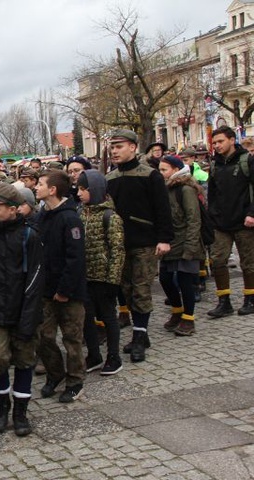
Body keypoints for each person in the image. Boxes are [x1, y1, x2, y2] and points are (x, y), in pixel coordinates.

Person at [0, 183, 44, 435]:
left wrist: (28, 319)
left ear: (13, 209)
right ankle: (2, 406)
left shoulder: (30, 237)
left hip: (23, 312)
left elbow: (35, 280)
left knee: (25, 361)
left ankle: (21, 411)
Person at [105, 129, 173, 362]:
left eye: (119, 146)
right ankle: (141, 332)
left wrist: (164, 239)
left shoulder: (150, 175)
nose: (114, 151)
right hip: (120, 244)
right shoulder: (110, 179)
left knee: (141, 289)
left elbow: (163, 209)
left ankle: (139, 338)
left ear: (133, 147)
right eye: (112, 147)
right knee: (127, 290)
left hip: (145, 242)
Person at [35, 170, 88, 403]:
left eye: (40, 184)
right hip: (45, 291)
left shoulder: (70, 218)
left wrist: (64, 290)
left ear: (53, 189)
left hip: (69, 293)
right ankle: (55, 374)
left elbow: (75, 258)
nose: (36, 187)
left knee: (72, 338)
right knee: (43, 337)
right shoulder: (42, 216)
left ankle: (75, 381)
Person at [77, 170, 126, 375]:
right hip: (85, 277)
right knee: (86, 317)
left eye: (83, 189)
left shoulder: (110, 217)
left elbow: (117, 250)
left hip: (104, 278)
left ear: (94, 190)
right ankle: (94, 355)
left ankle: (113, 356)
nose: (79, 193)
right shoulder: (80, 213)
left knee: (108, 316)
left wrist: (112, 281)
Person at [206, 125, 254, 317]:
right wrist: (212, 215)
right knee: (217, 261)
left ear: (231, 140)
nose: (217, 145)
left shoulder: (247, 161)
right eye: (214, 142)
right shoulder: (215, 164)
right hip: (221, 223)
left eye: (220, 141)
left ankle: (250, 298)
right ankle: (223, 301)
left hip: (244, 222)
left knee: (249, 263)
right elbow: (212, 193)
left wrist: (252, 213)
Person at [156, 155, 206, 335]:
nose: (161, 173)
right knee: (165, 279)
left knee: (185, 282)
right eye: (160, 170)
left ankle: (188, 318)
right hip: (170, 241)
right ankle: (177, 310)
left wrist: (191, 247)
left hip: (186, 241)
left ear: (176, 170)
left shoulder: (185, 188)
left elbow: (194, 219)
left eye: (164, 170)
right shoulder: (164, 188)